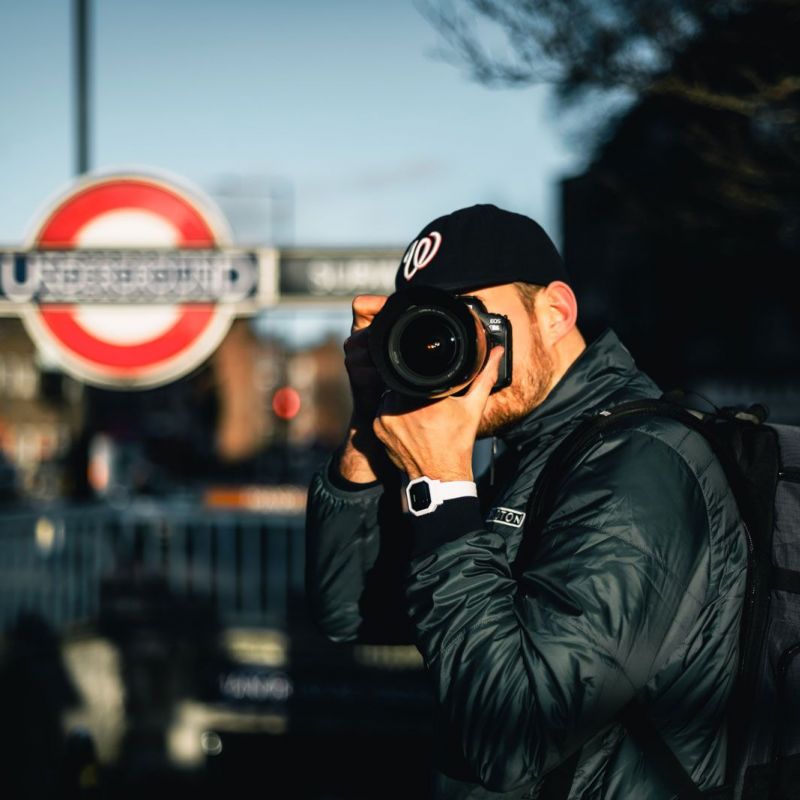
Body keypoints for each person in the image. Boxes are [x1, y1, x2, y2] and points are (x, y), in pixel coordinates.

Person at [304, 204, 747, 799]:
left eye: (474, 324)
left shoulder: (641, 463)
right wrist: (365, 433)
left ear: (556, 313)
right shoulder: (532, 448)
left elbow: (517, 735)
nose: (457, 355)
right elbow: (349, 611)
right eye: (431, 329)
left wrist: (441, 487)